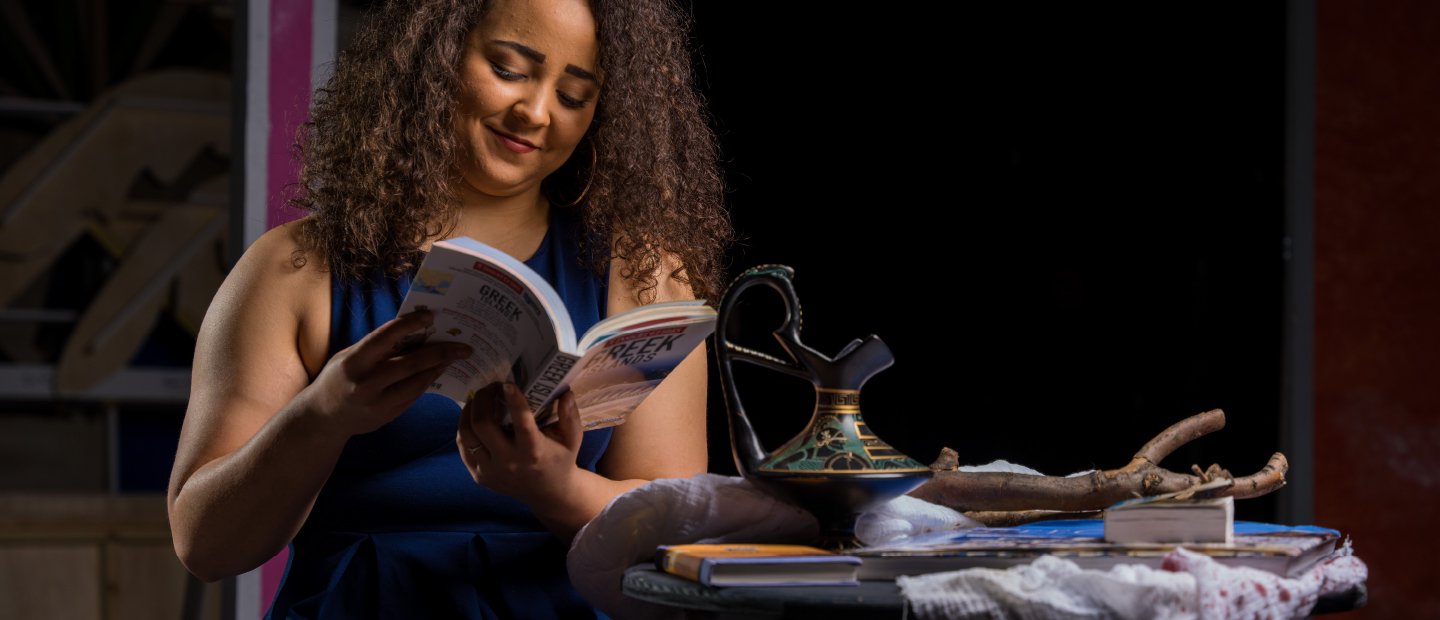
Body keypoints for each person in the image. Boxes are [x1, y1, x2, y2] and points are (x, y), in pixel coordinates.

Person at [166, 0, 731, 616]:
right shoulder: (294, 269)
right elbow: (205, 545)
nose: (535, 112)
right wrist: (323, 416)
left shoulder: (644, 273)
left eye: (573, 96)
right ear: (436, 56)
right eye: (510, 69)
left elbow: (677, 547)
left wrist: (556, 488)